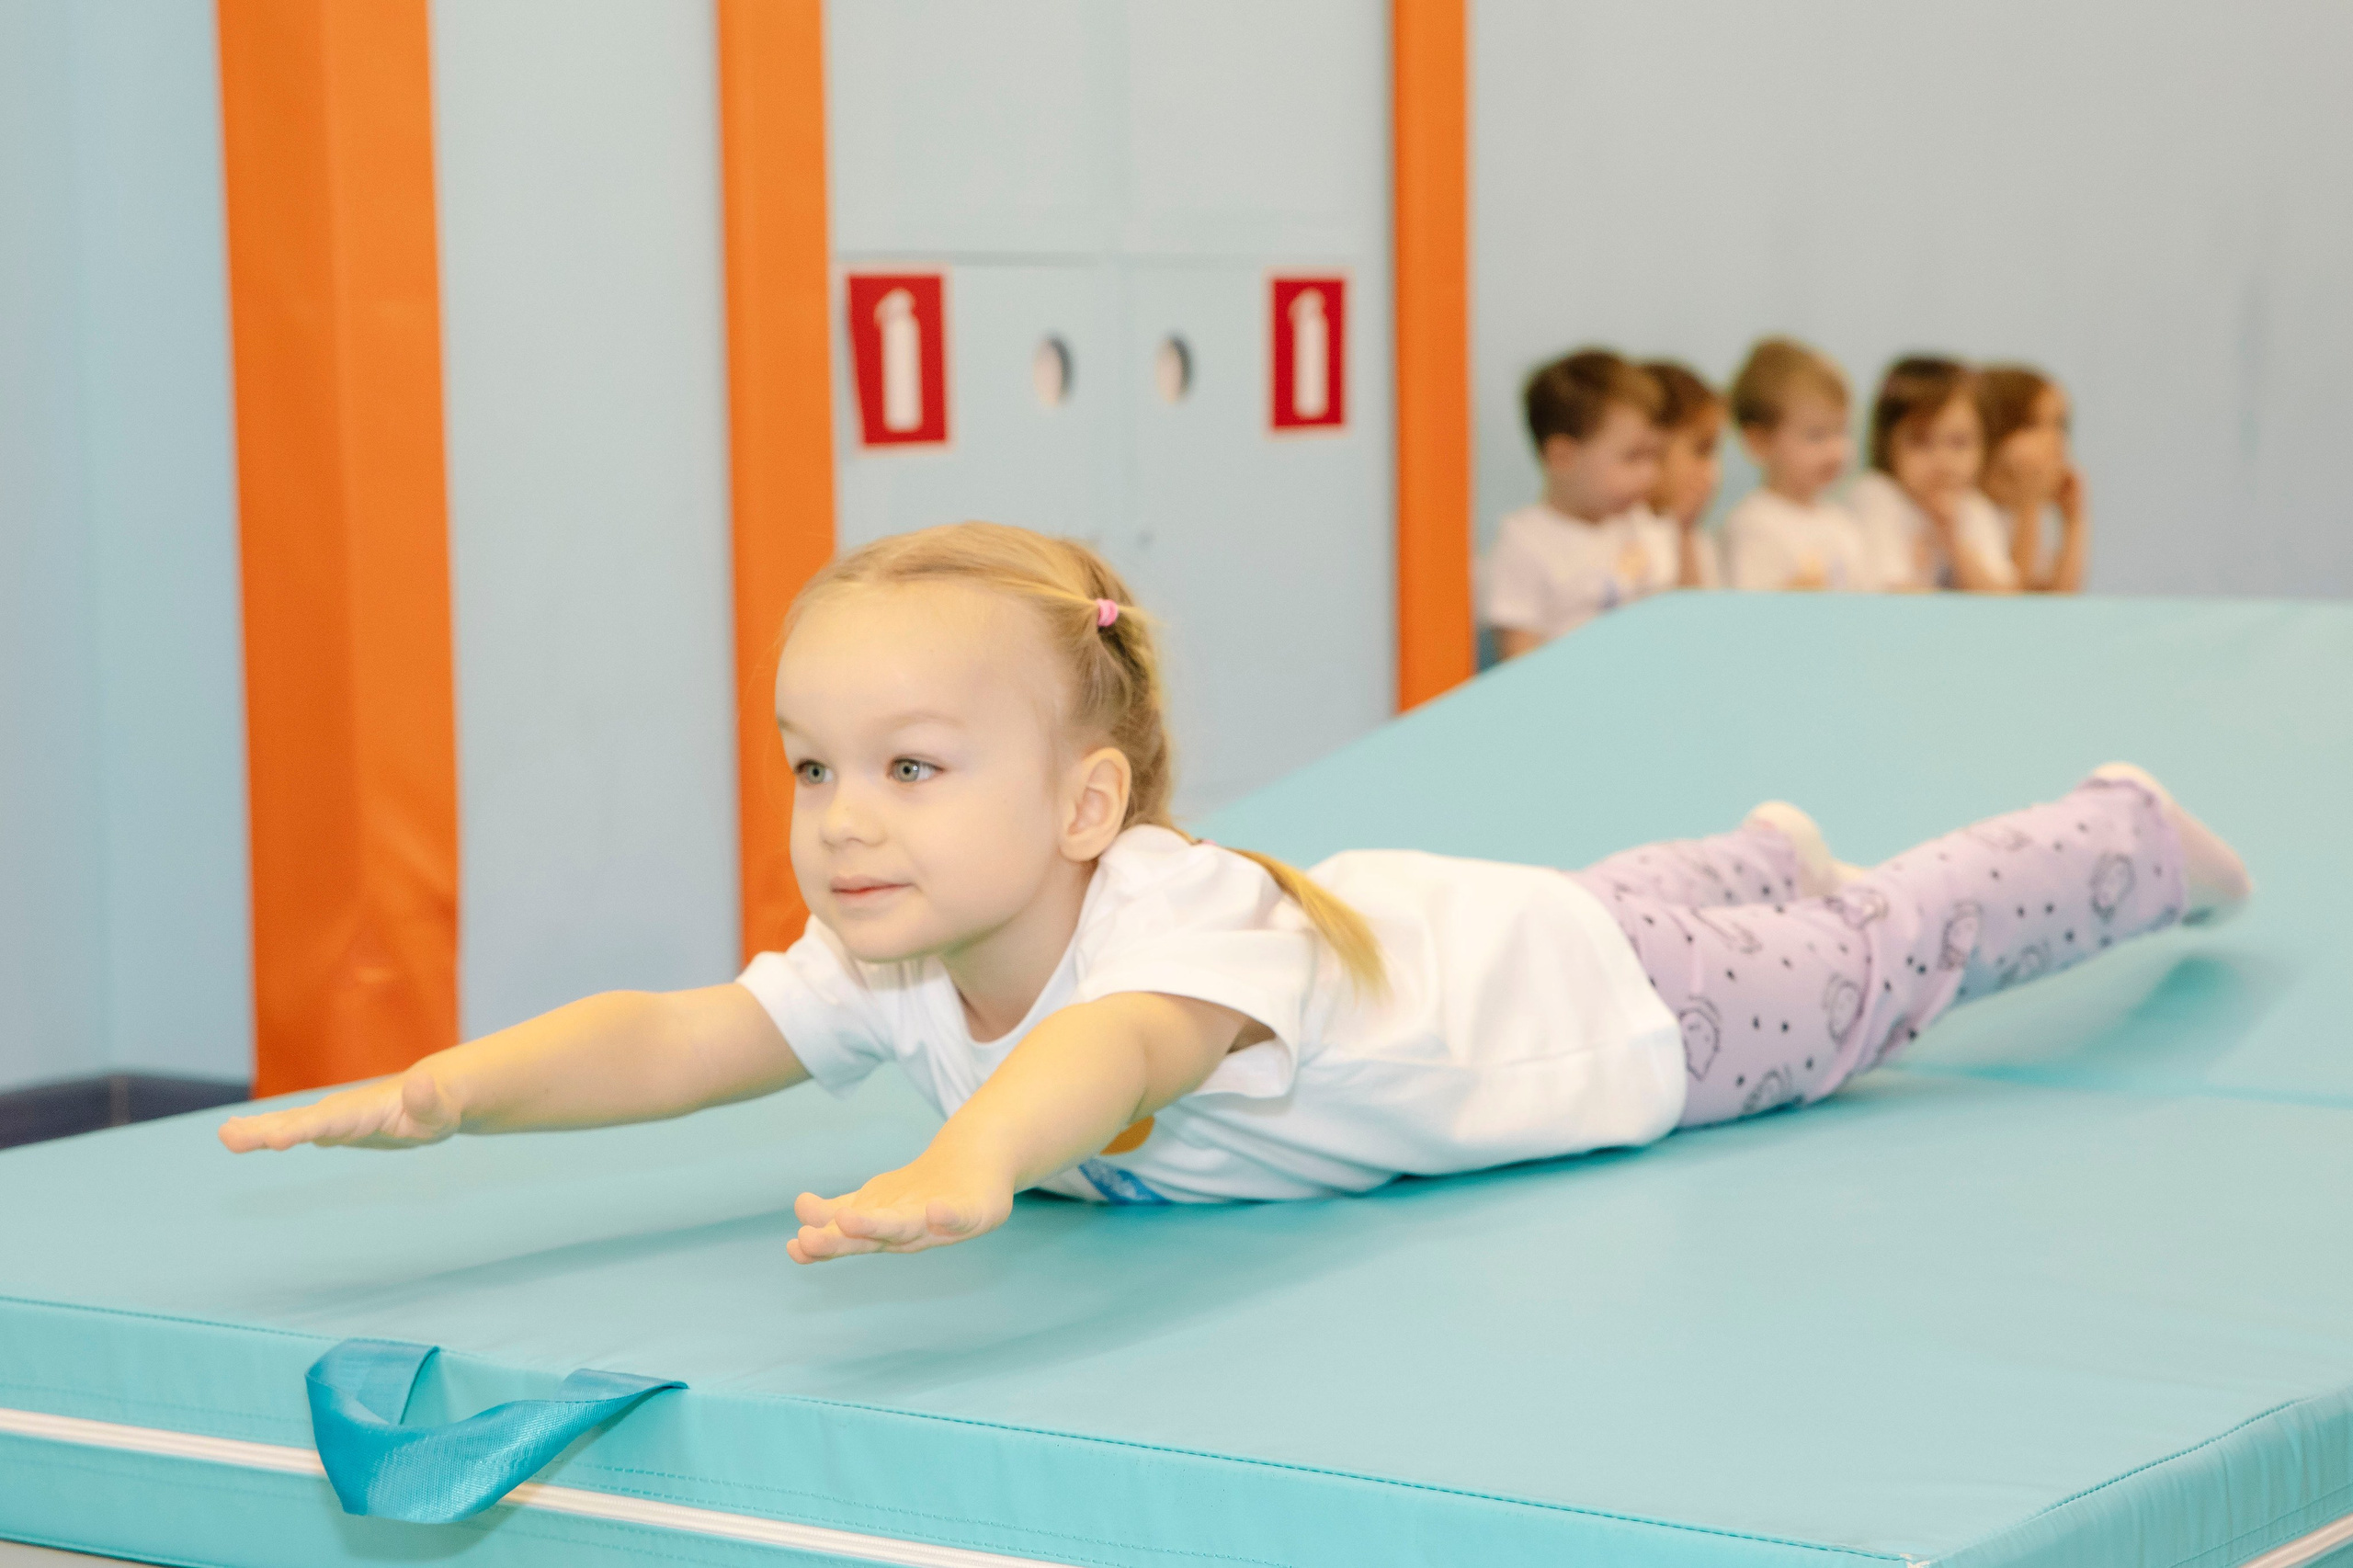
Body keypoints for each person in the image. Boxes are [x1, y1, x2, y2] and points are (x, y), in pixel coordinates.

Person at [221, 523, 2251, 1263]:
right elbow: (682, 1035)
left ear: (1087, 802)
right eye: (810, 765)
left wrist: (971, 1164)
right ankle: (1752, 851)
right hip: (1484, 924)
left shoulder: (1165, 932)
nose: (842, 821)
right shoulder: (901, 948)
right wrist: (452, 1089)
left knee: (1883, 956)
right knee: (1615, 892)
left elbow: (1108, 1062)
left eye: (912, 768)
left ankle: (2122, 836)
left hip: (1624, 1023)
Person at [1480, 349, 1677, 657]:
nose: (1649, 474)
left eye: (1654, 456)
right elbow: (1519, 666)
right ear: (1562, 457)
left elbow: (1674, 623)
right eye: (1632, 457)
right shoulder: (1523, 544)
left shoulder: (1643, 525)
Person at [1848, 357, 2018, 592]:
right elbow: (1892, 592)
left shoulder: (1974, 507)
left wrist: (1952, 538)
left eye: (1959, 443)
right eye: (1921, 442)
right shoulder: (1878, 495)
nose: (1943, 461)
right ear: (1887, 445)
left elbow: (2003, 595)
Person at [1721, 338, 1871, 591]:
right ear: (1760, 442)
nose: (1835, 450)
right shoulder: (1752, 525)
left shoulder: (1842, 523)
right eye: (1816, 435)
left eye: (1842, 431)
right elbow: (1748, 607)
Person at [1979, 366, 2089, 592]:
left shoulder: (2015, 513)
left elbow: (2057, 599)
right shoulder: (1971, 510)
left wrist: (2073, 520)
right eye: (2032, 425)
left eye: (2060, 425)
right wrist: (2028, 504)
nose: (2055, 440)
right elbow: (2012, 599)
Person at [1643, 359, 1727, 588]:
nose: (1712, 469)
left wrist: (1683, 531)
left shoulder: (1699, 540)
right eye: (1701, 450)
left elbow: (1700, 607)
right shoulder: (1630, 537)